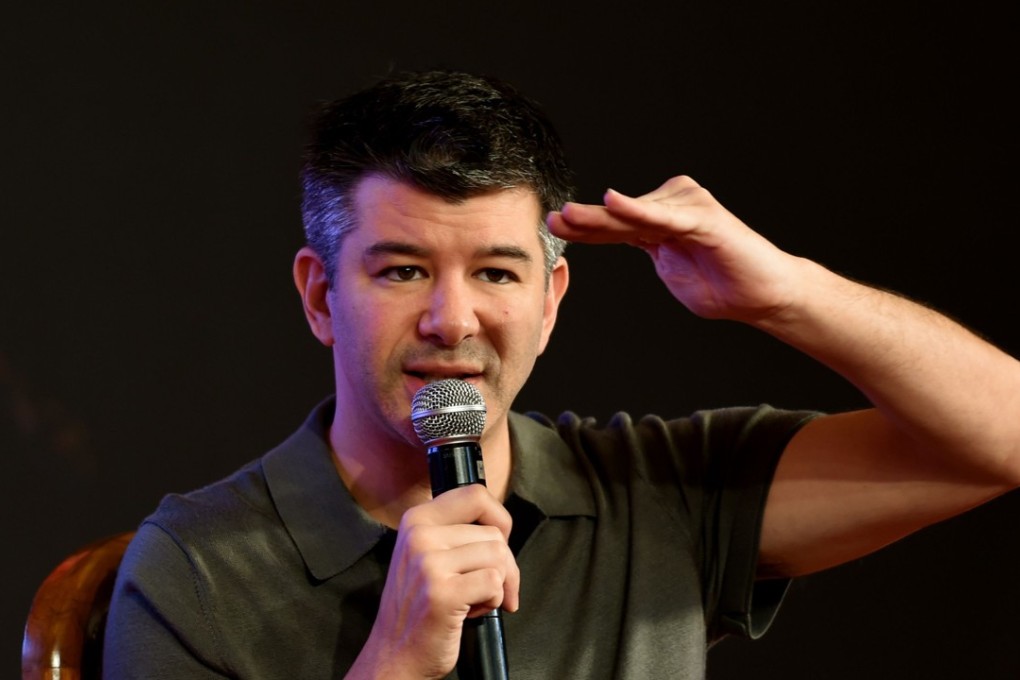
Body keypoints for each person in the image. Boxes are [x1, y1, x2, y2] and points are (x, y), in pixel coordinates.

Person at [102, 69, 1020, 679]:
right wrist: (394, 659)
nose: (452, 319)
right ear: (318, 296)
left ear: (551, 300)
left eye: (498, 273)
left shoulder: (658, 488)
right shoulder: (193, 567)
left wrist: (786, 294)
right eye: (402, 270)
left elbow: (1003, 435)